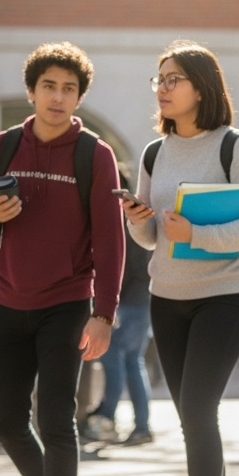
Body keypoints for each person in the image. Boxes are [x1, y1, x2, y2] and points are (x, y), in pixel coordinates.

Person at [0, 41, 124, 476]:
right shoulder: (2, 147)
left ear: (79, 97)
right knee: (7, 419)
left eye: (69, 89)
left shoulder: (94, 155)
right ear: (32, 91)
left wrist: (103, 315)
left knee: (56, 419)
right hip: (8, 300)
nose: (59, 97)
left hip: (68, 302)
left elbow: (110, 241)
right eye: (49, 87)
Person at [122, 41, 239, 476]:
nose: (162, 88)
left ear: (201, 88)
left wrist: (199, 232)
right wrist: (141, 218)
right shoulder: (153, 153)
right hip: (168, 296)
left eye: (173, 79)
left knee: (197, 408)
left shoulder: (237, 148)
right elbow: (147, 239)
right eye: (158, 79)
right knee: (194, 416)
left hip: (226, 296)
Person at [84, 168, 155, 446]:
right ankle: (141, 426)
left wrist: (105, 306)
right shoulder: (139, 212)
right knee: (132, 362)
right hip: (142, 300)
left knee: (112, 360)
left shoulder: (119, 218)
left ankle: (106, 418)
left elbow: (119, 266)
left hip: (124, 302)